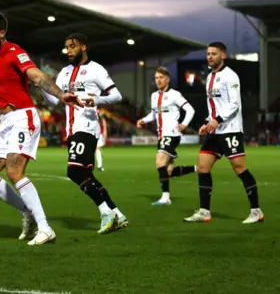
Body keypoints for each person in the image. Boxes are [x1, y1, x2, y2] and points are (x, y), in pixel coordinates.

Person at [0, 12, 80, 245]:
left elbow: (36, 76)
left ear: (1, 32)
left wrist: (61, 95)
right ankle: (27, 211)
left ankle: (45, 228)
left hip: (24, 117)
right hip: (5, 123)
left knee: (14, 172)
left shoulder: (14, 52)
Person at [42, 33, 127, 233]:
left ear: (83, 47)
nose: (69, 50)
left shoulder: (96, 69)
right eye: (66, 47)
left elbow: (117, 95)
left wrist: (96, 100)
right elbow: (55, 101)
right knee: (86, 174)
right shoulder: (64, 72)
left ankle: (106, 212)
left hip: (87, 126)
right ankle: (117, 213)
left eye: (72, 46)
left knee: (74, 171)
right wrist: (41, 85)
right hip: (72, 129)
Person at [184, 42, 263, 224]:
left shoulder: (230, 76)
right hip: (215, 130)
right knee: (203, 167)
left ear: (223, 56)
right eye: (208, 54)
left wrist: (217, 120)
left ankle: (256, 210)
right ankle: (204, 211)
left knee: (239, 168)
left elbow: (234, 104)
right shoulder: (210, 77)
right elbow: (214, 107)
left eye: (214, 54)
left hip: (231, 129)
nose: (209, 57)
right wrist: (207, 123)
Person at [137, 66, 196, 206]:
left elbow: (190, 110)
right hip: (161, 136)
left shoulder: (175, 94)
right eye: (156, 78)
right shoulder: (154, 96)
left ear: (168, 79)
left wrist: (184, 124)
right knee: (168, 171)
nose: (158, 80)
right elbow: (154, 114)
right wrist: (143, 120)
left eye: (161, 77)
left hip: (172, 134)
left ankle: (165, 197)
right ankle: (197, 168)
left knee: (159, 162)